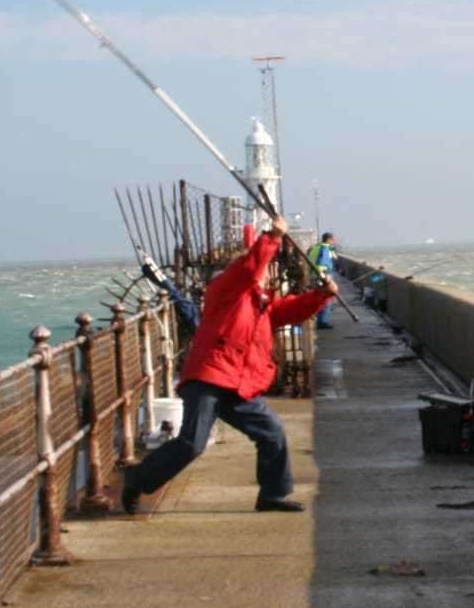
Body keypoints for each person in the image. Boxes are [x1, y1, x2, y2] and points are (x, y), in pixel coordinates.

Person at [121, 213, 336, 515]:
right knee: (192, 443)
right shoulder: (226, 288)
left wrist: (321, 296)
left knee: (271, 429)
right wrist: (272, 237)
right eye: (262, 268)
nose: (265, 274)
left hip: (237, 382)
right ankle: (138, 479)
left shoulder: (261, 303)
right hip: (208, 376)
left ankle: (272, 495)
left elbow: (290, 311)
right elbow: (248, 269)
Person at [308, 231, 339, 329]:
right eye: (333, 239)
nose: (334, 241)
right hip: (322, 277)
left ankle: (315, 318)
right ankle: (322, 321)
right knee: (326, 299)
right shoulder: (324, 249)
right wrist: (326, 278)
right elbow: (322, 264)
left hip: (313, 275)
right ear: (328, 240)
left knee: (316, 298)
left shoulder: (315, 247)